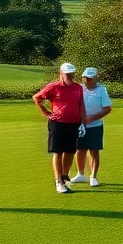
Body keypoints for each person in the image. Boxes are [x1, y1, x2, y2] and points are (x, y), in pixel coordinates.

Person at [33, 62, 88, 194]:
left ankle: (64, 176)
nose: (70, 76)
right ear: (61, 74)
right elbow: (37, 98)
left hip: (74, 123)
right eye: (67, 74)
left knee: (70, 151)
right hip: (57, 123)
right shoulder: (54, 86)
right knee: (58, 152)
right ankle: (58, 181)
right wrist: (46, 113)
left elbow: (81, 105)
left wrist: (83, 122)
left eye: (72, 74)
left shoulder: (78, 88)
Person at [71, 68, 113, 187]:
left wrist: (92, 118)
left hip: (95, 126)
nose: (87, 81)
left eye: (90, 79)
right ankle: (80, 174)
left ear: (96, 78)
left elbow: (107, 108)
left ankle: (93, 176)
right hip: (80, 126)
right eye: (85, 78)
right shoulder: (79, 88)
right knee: (80, 150)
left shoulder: (101, 90)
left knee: (94, 151)